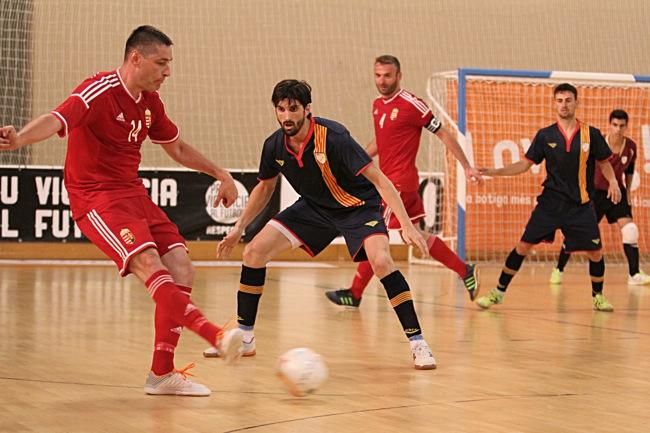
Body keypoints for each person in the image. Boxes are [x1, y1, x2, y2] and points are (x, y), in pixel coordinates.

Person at [0, 25, 244, 396]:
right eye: (161, 63)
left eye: (169, 64)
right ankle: (214, 333)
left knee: (182, 266)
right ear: (136, 58)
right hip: (96, 197)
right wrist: (19, 139)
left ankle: (161, 376)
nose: (168, 72)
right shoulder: (98, 90)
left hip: (132, 194)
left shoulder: (150, 103)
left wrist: (221, 173)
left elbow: (177, 149)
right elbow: (56, 119)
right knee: (150, 265)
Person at [203, 79, 437, 369]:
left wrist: (407, 225)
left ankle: (418, 343)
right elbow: (264, 188)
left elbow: (380, 179)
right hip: (314, 208)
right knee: (253, 253)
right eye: (281, 109)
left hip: (358, 208)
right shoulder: (274, 144)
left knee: (381, 261)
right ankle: (246, 339)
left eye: (293, 109)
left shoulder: (334, 136)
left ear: (307, 109)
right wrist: (240, 226)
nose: (286, 116)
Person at [325, 55, 483, 308]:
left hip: (400, 183)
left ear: (399, 76)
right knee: (418, 236)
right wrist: (355, 163)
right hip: (391, 181)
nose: (382, 80)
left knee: (372, 234)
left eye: (387, 75)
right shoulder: (377, 104)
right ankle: (465, 270)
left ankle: (355, 293)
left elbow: (442, 133)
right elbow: (381, 141)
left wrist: (466, 166)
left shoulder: (412, 104)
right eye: (378, 75)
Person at [475, 83, 621, 312]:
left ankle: (598, 296)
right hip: (550, 204)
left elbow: (604, 162)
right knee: (523, 246)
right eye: (560, 100)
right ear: (554, 103)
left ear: (576, 102)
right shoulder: (545, 135)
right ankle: (498, 292)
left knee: (595, 252)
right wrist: (494, 172)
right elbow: (524, 164)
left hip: (580, 206)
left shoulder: (591, 134)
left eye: (568, 100)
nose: (564, 105)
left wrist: (613, 181)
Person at [549, 109, 650, 285]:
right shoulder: (597, 144)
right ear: (609, 125)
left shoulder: (631, 147)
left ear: (626, 126)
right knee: (576, 233)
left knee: (630, 230)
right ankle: (558, 269)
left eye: (622, 126)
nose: (618, 129)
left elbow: (630, 171)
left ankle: (634, 274)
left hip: (616, 193)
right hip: (594, 195)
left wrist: (627, 195)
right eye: (615, 125)